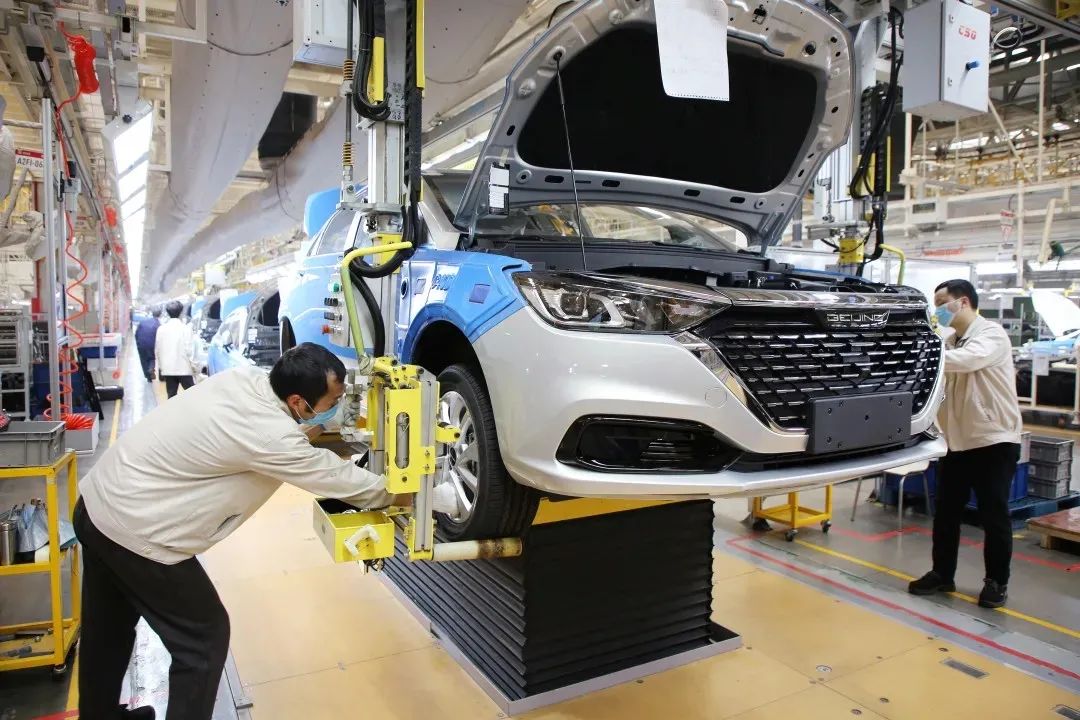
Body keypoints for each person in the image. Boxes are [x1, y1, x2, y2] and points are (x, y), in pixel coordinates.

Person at [74, 343, 401, 720]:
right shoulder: (271, 437)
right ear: (297, 401)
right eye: (333, 401)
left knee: (108, 629)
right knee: (204, 639)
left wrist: (320, 425)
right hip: (135, 533)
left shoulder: (246, 380)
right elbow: (332, 475)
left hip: (97, 505)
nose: (338, 405)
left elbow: (286, 438)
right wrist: (405, 493)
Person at [909, 279, 1022, 609]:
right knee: (946, 513)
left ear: (963, 302)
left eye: (942, 303)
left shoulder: (991, 335)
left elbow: (967, 360)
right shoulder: (949, 341)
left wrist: (924, 350)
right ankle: (942, 573)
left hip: (993, 440)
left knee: (993, 516)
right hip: (957, 443)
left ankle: (996, 581)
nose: (939, 310)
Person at [155, 300, 196, 398]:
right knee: (192, 396)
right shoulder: (186, 329)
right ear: (181, 312)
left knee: (171, 395)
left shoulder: (161, 329)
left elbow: (158, 350)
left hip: (168, 369)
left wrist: (161, 367)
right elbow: (190, 351)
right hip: (184, 369)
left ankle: (172, 408)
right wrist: (195, 368)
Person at [134, 306, 161, 382]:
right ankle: (151, 368)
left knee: (143, 360)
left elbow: (136, 334)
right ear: (160, 315)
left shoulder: (143, 322)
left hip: (141, 344)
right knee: (151, 358)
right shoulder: (158, 324)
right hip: (151, 344)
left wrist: (138, 343)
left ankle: (148, 377)